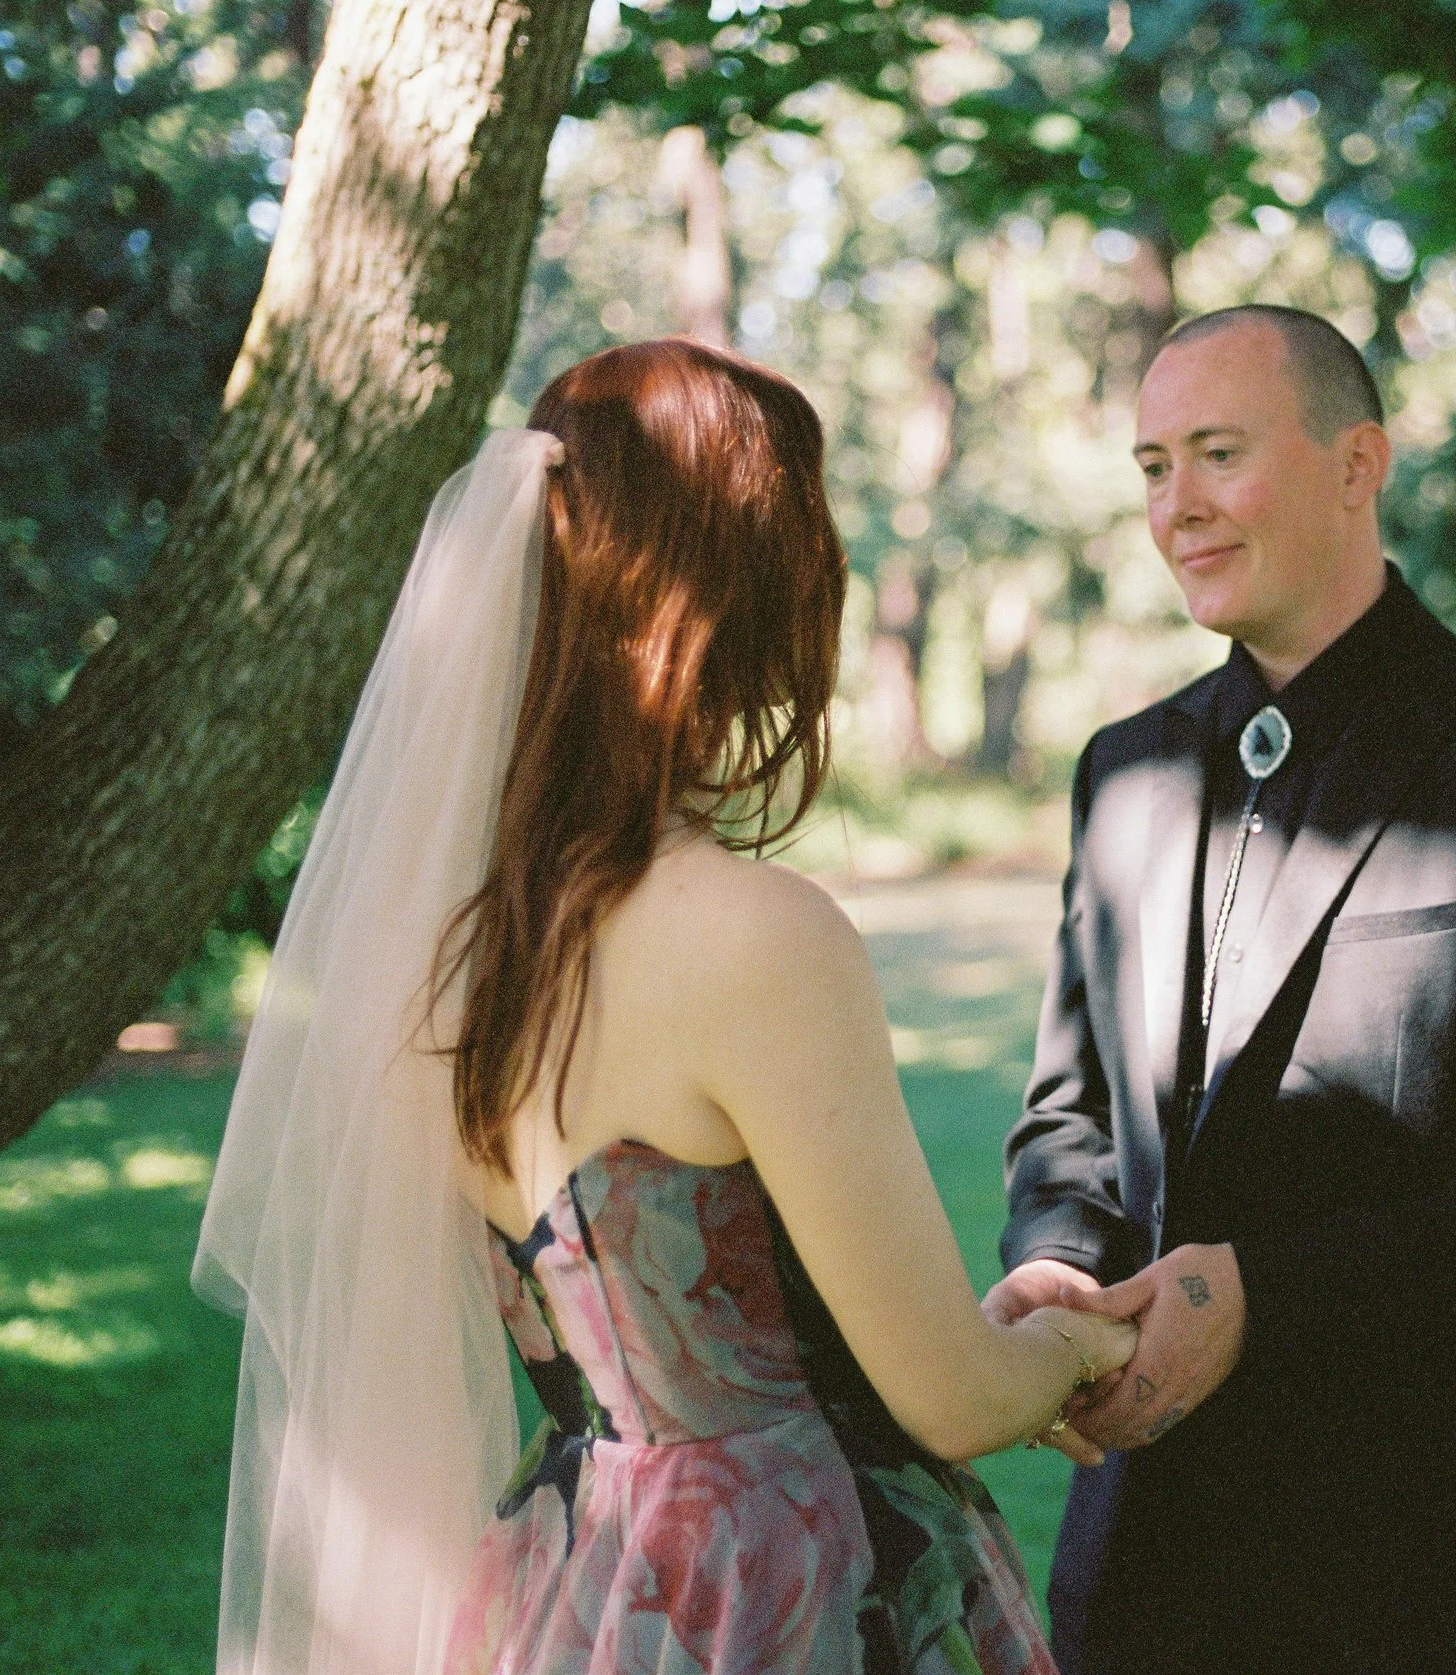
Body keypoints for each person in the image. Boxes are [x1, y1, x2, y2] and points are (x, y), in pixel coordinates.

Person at [194, 338, 1134, 1675]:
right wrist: (1082, 1339)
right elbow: (949, 1391)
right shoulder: (757, 936)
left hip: (576, 1574)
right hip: (780, 1576)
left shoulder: (457, 949)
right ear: (738, 584)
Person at [985, 305, 1456, 1675]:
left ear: (1358, 462)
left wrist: (1268, 1295)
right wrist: (1061, 1258)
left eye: (1217, 453)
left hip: (1441, 1568)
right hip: (1146, 1564)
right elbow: (1069, 1113)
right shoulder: (1121, 772)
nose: (1175, 504)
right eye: (1149, 465)